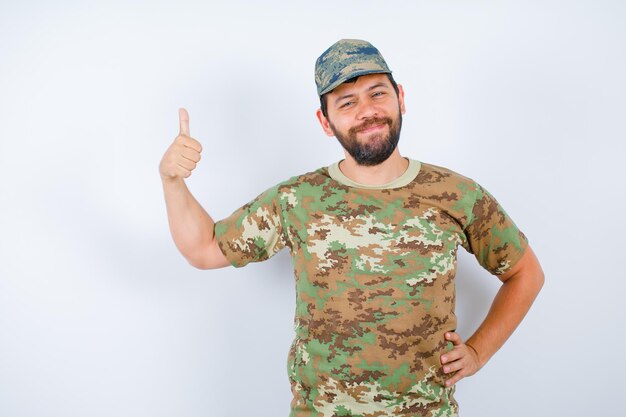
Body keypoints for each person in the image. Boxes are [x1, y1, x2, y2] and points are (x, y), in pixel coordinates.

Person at [159, 39, 544, 417]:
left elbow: (526, 273)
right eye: (347, 102)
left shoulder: (456, 194)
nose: (367, 111)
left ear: (401, 99)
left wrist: (478, 351)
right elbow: (204, 248)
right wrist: (172, 181)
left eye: (377, 93)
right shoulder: (297, 199)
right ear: (325, 122)